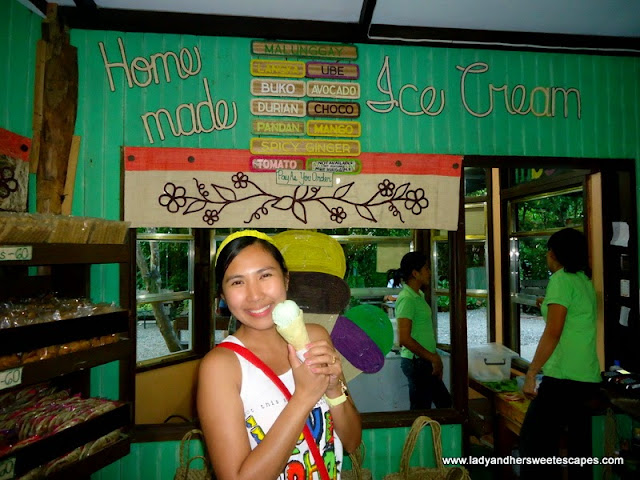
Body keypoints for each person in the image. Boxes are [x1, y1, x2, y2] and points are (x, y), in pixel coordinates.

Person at [197, 230, 361, 480]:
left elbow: (351, 442)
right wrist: (304, 396)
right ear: (222, 295)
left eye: (265, 275)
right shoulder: (222, 367)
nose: (255, 295)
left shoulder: (315, 338)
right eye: (237, 282)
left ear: (285, 280)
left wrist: (333, 390)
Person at [519, 228, 602, 480]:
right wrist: (546, 304)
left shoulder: (561, 280)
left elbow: (553, 332)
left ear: (554, 253)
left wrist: (531, 372)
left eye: (548, 250)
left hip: (563, 378)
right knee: (580, 452)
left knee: (535, 446)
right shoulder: (584, 281)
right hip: (586, 377)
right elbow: (572, 318)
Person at [388, 251, 452, 410]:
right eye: (426, 269)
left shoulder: (418, 295)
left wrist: (433, 357)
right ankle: (419, 435)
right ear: (415, 273)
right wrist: (433, 358)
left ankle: (433, 435)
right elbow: (404, 338)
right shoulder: (407, 298)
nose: (429, 272)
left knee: (443, 406)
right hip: (417, 362)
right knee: (423, 412)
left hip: (425, 361)